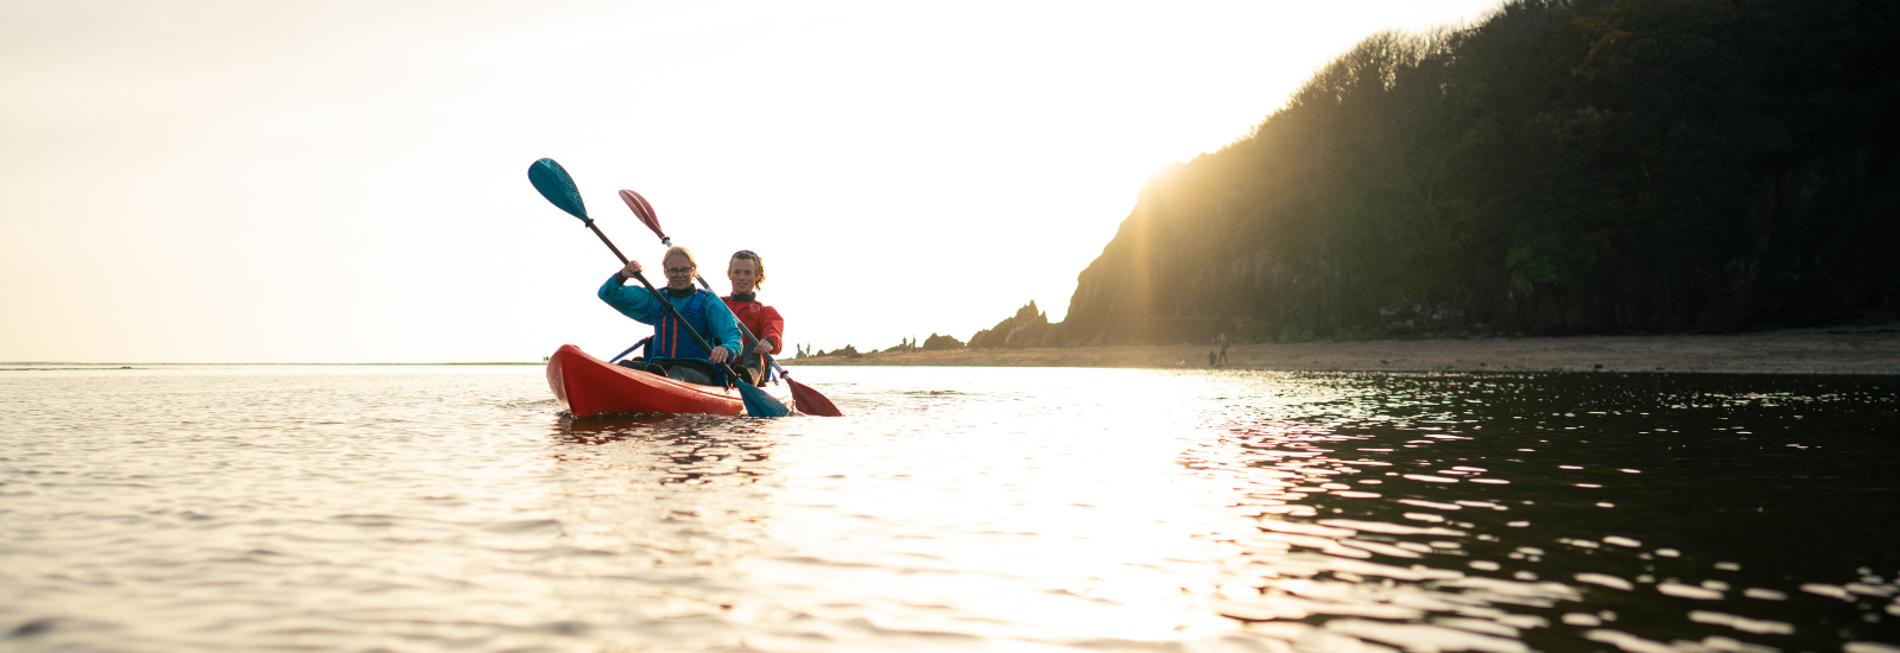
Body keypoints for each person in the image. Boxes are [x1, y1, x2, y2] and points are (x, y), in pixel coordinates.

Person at [597, 245, 743, 385]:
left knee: (676, 373)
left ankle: (659, 385)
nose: (679, 275)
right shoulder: (655, 297)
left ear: (693, 271)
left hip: (697, 371)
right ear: (665, 273)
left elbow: (734, 336)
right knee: (625, 366)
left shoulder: (709, 302)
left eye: (685, 270)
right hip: (658, 366)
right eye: (673, 270)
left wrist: (727, 349)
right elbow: (607, 294)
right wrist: (622, 275)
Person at [721, 249, 785, 385]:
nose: (741, 277)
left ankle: (747, 379)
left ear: (757, 276)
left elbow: (774, 332)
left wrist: (769, 341)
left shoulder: (766, 312)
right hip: (720, 365)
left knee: (752, 347)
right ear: (730, 275)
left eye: (748, 273)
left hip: (752, 369)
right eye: (737, 272)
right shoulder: (716, 304)